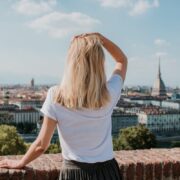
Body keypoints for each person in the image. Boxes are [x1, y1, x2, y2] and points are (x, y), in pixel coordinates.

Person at [0, 32, 128, 180]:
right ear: (99, 62)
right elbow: (122, 60)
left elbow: (41, 144)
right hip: (108, 172)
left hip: (74, 173)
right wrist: (101, 39)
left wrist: (21, 162)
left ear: (72, 62)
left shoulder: (57, 95)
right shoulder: (109, 93)